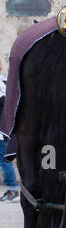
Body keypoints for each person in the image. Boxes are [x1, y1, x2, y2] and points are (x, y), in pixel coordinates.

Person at [0, 74, 18, 202]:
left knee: (4, 160)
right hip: (7, 128)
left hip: (2, 130)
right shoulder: (5, 80)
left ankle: (13, 190)